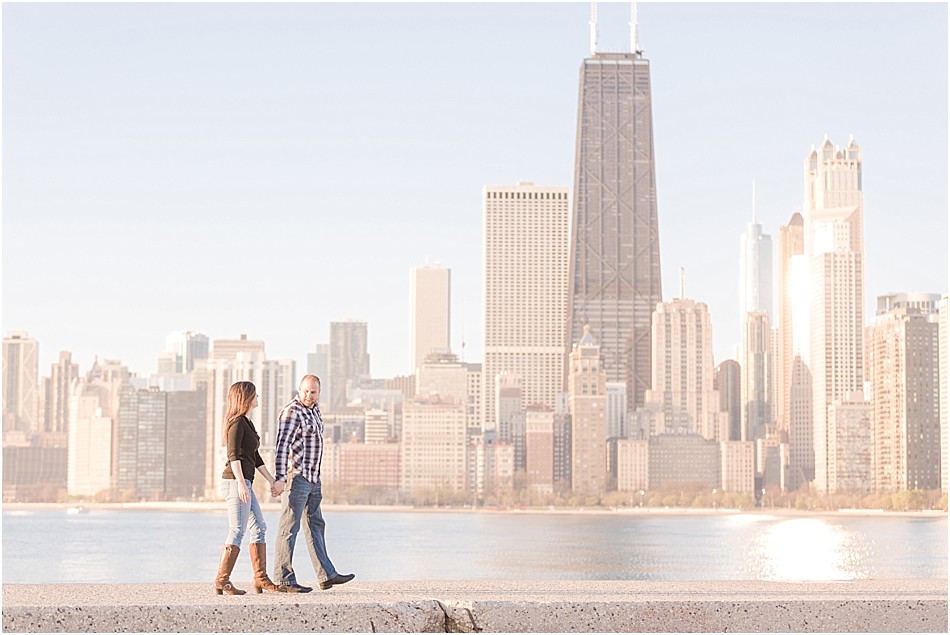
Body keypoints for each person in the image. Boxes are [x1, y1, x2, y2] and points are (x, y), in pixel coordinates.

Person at [272, 375, 354, 593]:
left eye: (314, 392)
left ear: (319, 393)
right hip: (297, 477)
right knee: (289, 528)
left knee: (316, 524)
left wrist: (316, 477)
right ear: (299, 389)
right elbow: (281, 447)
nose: (309, 396)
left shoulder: (315, 410)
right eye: (306, 391)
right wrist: (280, 478)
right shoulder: (292, 412)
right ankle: (283, 579)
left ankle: (326, 575)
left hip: (313, 478)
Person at [214, 381, 286, 595]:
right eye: (255, 394)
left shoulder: (248, 423)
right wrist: (240, 484)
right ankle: (222, 580)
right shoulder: (236, 423)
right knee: (237, 529)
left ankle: (260, 578)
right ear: (246, 398)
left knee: (260, 527)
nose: (258, 398)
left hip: (244, 482)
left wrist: (272, 480)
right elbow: (233, 455)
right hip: (235, 482)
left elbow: (254, 457)